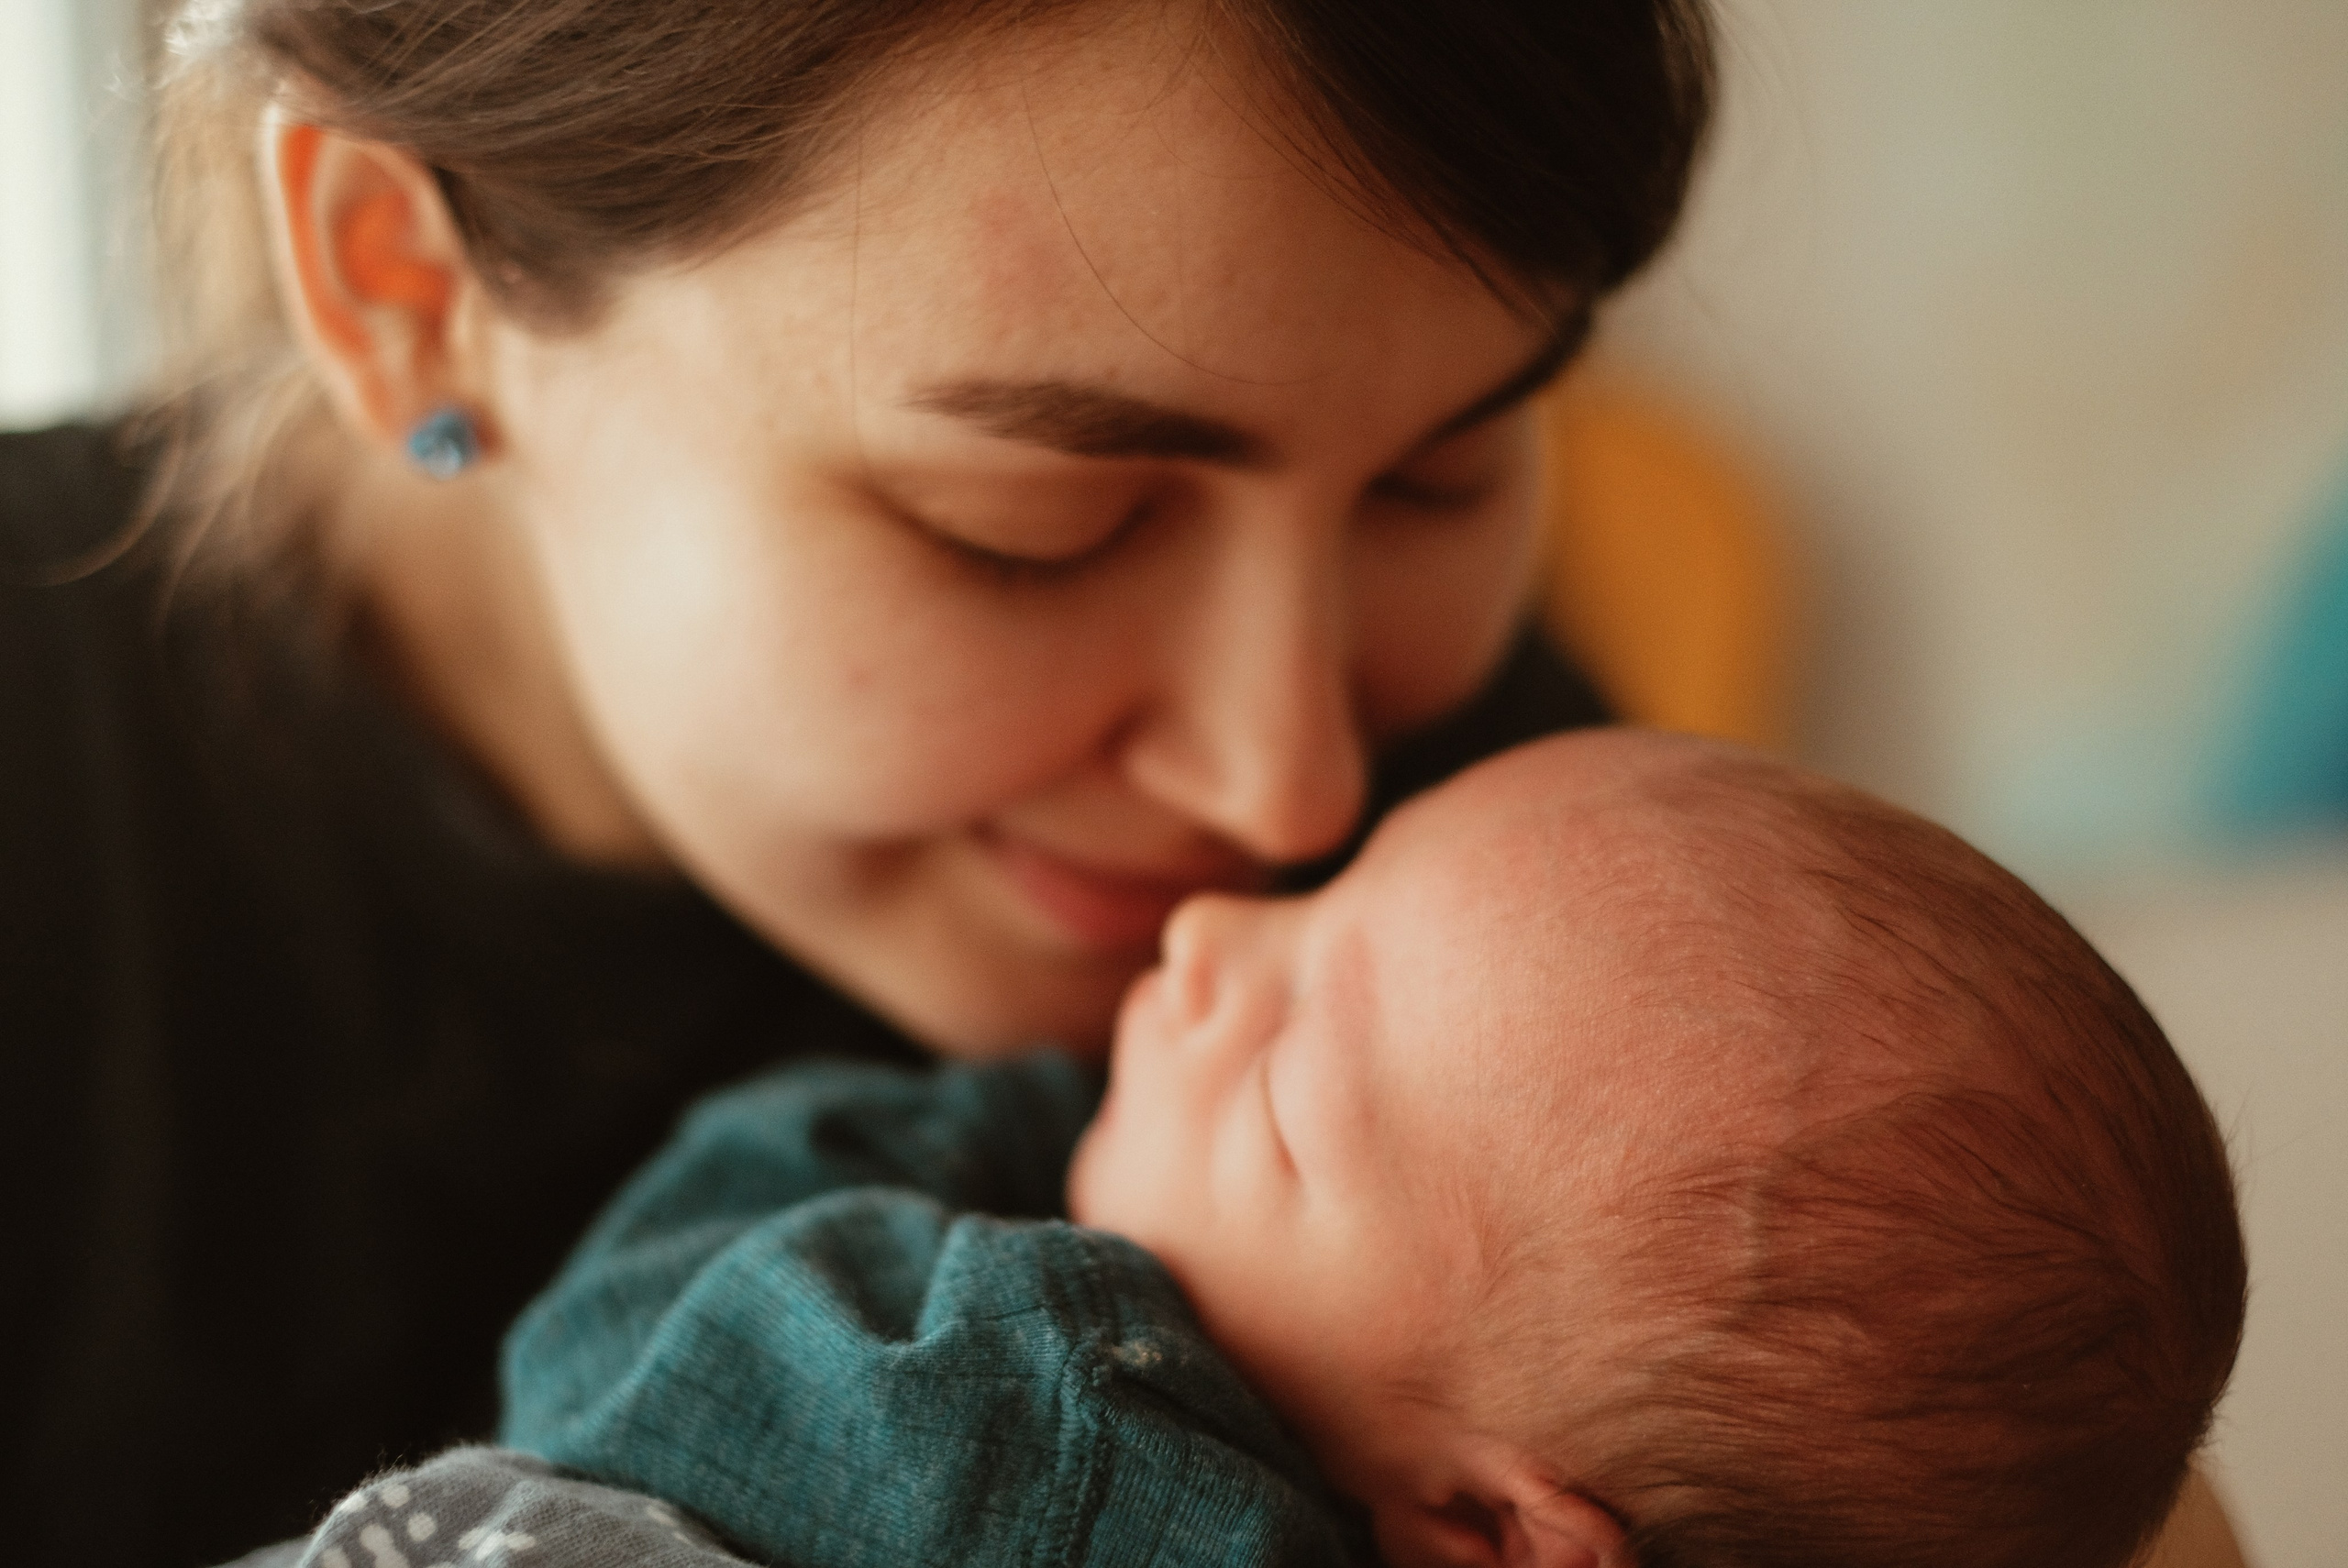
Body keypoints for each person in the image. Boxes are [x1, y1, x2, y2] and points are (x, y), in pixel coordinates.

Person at [1, 3, 1700, 1564]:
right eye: (1036, 530)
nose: (1291, 790)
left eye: (1441, 476)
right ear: (405, 286)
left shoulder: (1519, 892)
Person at [242, 731, 2244, 1568]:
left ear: (1489, 1539)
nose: (1204, 933)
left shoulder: (1019, 1458)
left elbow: (633, 1346)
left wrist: (1046, 1172)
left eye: (1288, 1083)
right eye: (1324, 889)